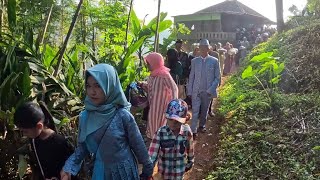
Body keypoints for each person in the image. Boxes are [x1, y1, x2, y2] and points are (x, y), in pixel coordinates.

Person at [60, 64, 153, 180]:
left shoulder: (122, 115)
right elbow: (83, 147)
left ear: (110, 85)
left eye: (98, 86)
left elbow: (138, 144)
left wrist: (148, 168)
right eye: (88, 86)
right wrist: (69, 167)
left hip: (124, 172)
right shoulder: (85, 116)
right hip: (100, 172)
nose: (92, 92)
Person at [14, 102, 75, 180]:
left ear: (39, 126)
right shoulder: (34, 140)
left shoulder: (60, 143)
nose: (23, 134)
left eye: (25, 131)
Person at [148, 99, 194, 180]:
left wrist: (190, 162)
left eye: (177, 121)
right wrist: (148, 169)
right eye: (170, 120)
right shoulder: (160, 133)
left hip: (179, 173)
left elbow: (190, 148)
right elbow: (152, 154)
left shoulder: (187, 132)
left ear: (183, 120)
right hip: (164, 174)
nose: (173, 123)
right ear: (166, 117)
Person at [187, 39, 220, 138]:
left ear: (208, 48)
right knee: (195, 110)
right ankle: (193, 130)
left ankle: (202, 125)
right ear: (199, 48)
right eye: (201, 47)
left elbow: (217, 77)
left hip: (207, 91)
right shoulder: (194, 61)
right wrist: (190, 90)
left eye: (205, 47)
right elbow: (191, 76)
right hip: (196, 90)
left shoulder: (214, 61)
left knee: (205, 110)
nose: (203, 49)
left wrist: (211, 89)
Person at [141, 52, 178, 139]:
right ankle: (154, 146)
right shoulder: (153, 75)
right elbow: (150, 88)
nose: (147, 65)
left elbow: (174, 89)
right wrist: (142, 85)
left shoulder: (164, 75)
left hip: (163, 108)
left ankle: (160, 148)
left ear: (155, 63)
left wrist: (172, 107)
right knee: (153, 127)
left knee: (161, 130)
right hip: (154, 108)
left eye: (148, 63)